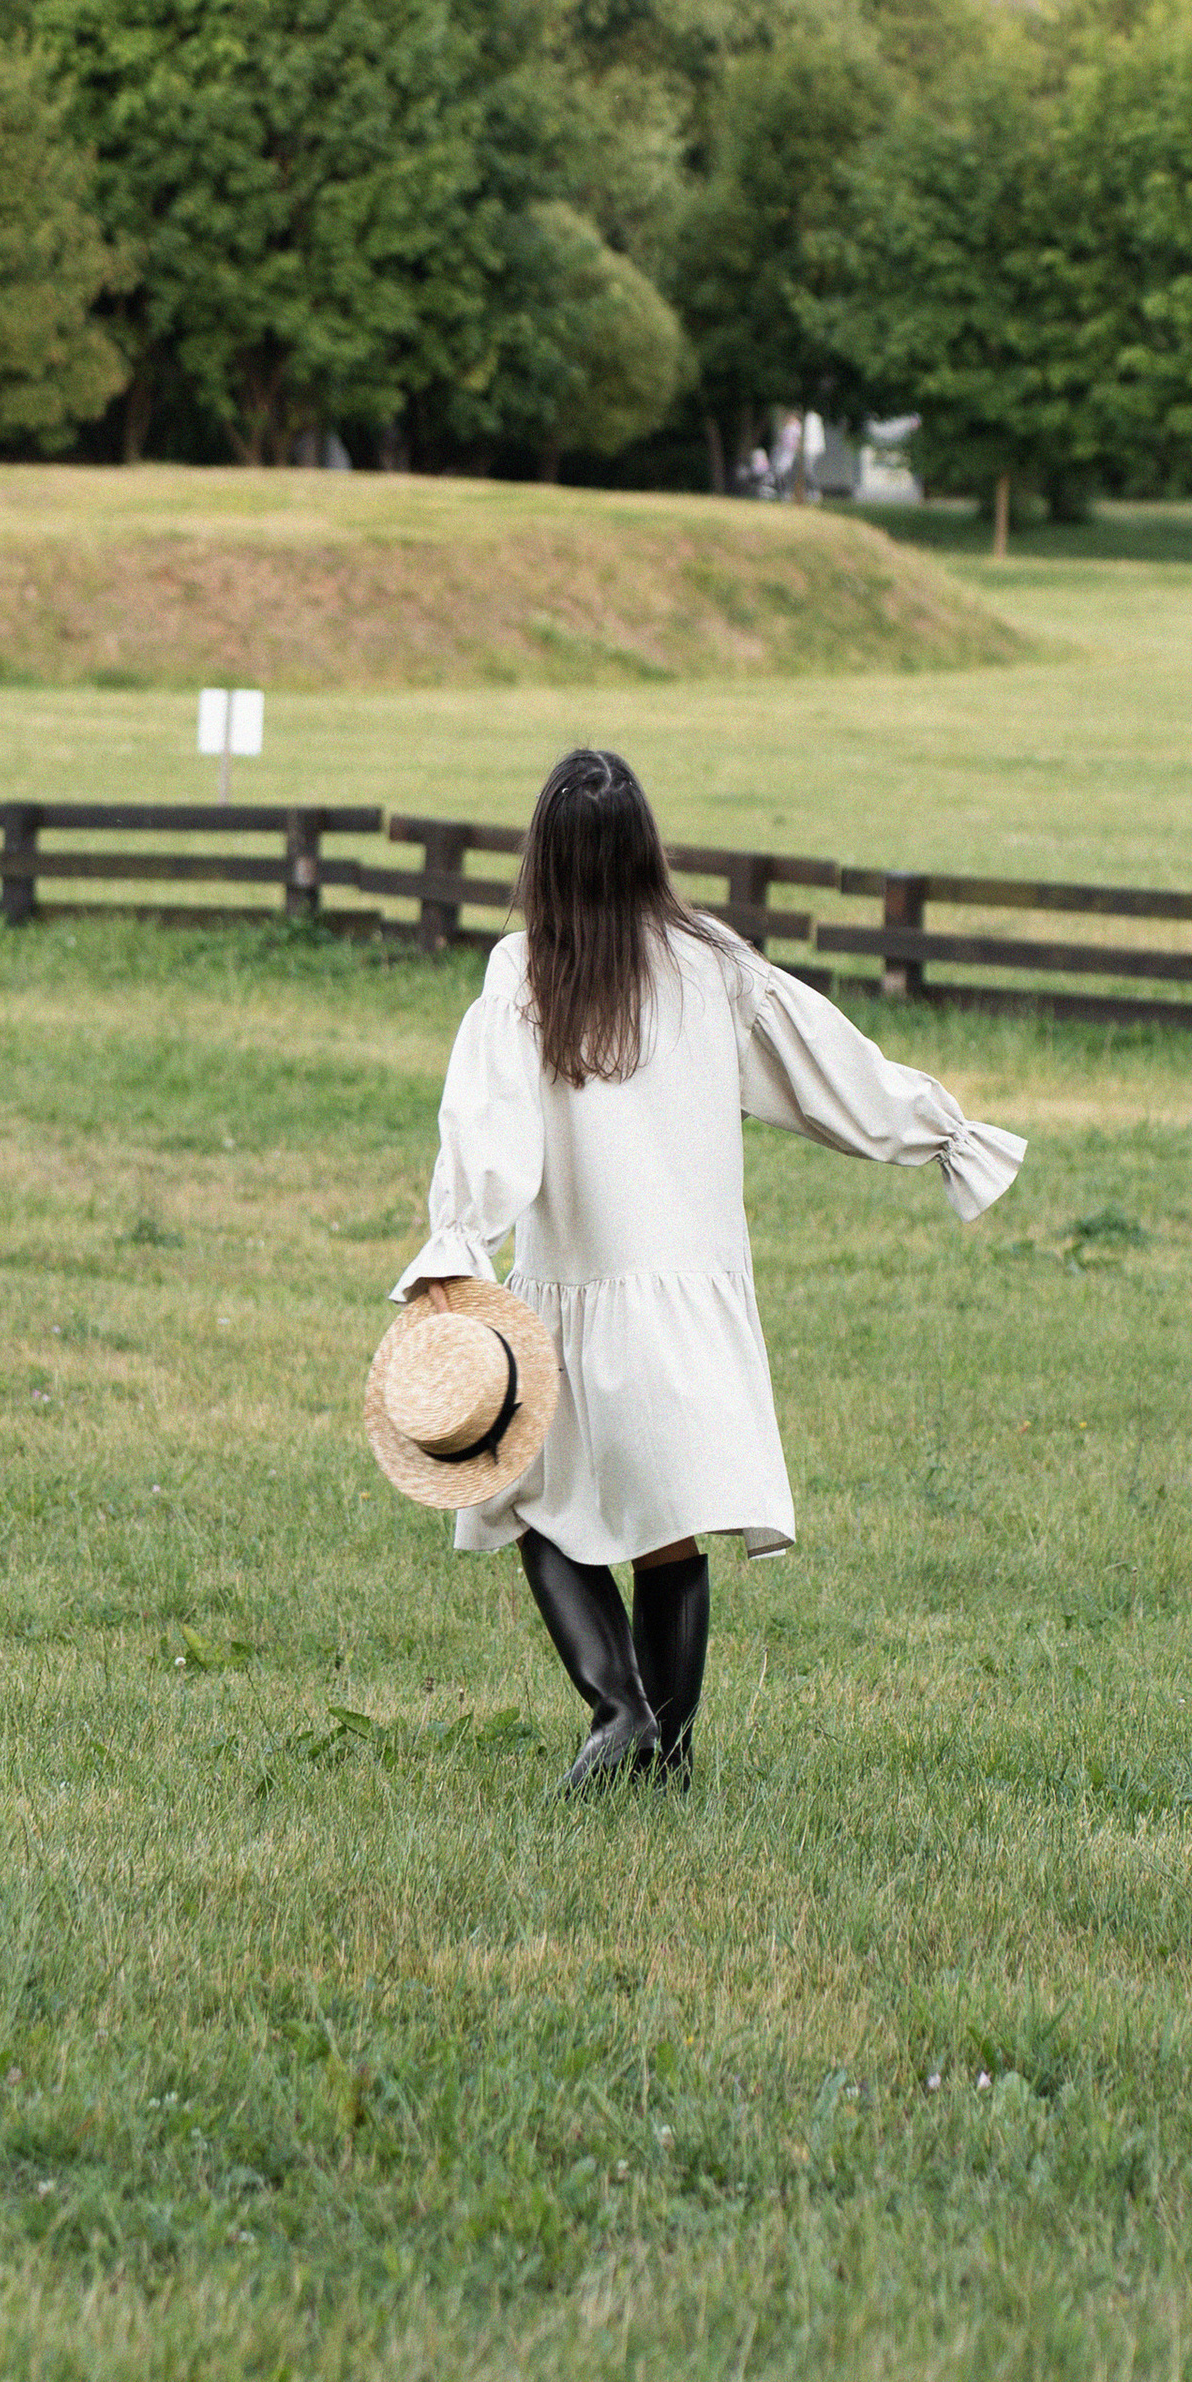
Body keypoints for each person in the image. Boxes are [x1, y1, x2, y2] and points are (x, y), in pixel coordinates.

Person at [390, 746, 1026, 1790]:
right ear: (647, 850)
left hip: (571, 1299)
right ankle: (666, 1755)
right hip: (690, 1307)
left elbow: (489, 1124)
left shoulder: (525, 971)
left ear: (543, 857)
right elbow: (829, 1066)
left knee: (527, 1497)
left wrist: (459, 1243)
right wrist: (938, 1132)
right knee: (669, 1536)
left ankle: (620, 1711)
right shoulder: (712, 962)